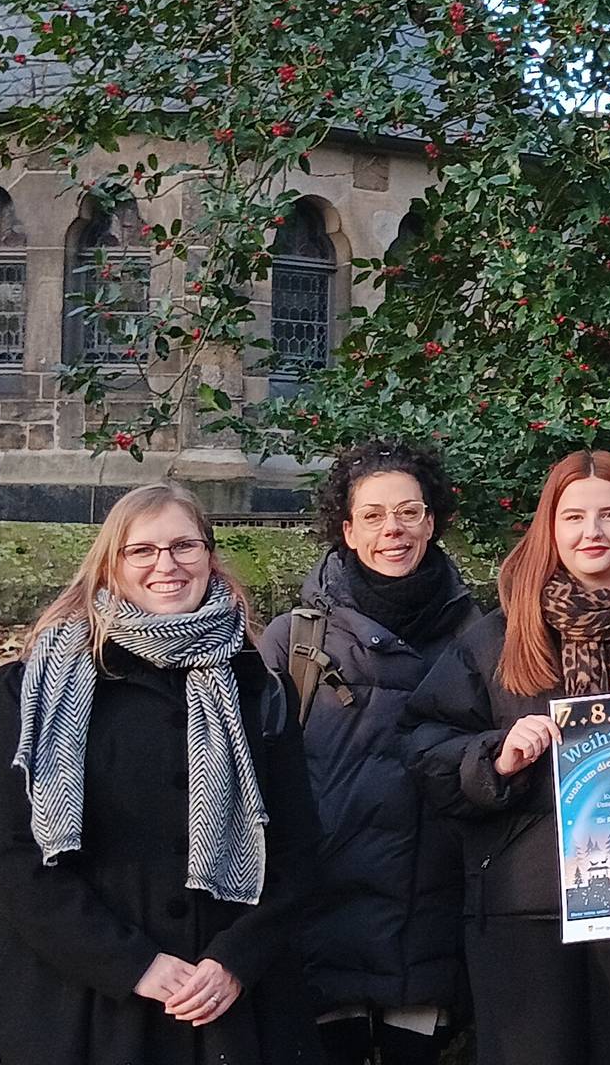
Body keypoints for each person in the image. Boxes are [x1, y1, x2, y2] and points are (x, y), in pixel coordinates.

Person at [0, 483, 321, 1065]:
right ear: (111, 566)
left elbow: (297, 850)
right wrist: (132, 965)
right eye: (143, 551)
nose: (168, 565)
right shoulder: (38, 685)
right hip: (77, 1000)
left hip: (227, 1004)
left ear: (209, 556)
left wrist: (236, 961)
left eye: (185, 546)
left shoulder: (257, 686)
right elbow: (12, 853)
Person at [404, 451, 610, 1065]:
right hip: (525, 902)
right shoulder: (500, 637)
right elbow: (425, 751)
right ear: (549, 529)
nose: (593, 532)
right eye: (574, 517)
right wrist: (496, 757)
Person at [256, 441, 480, 1064]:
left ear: (432, 522)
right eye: (375, 515)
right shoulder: (293, 641)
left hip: (431, 911)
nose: (394, 531)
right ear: (347, 529)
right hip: (321, 916)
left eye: (409, 512)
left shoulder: (479, 634)